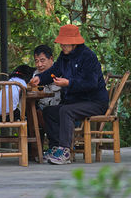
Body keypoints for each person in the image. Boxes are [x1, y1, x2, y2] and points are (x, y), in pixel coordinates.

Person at [30, 24, 108, 165]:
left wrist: (69, 83)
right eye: (61, 44)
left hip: (94, 102)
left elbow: (91, 83)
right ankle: (55, 148)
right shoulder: (64, 56)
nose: (62, 47)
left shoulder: (88, 56)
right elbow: (54, 71)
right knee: (49, 112)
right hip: (75, 102)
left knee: (66, 110)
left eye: (65, 44)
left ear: (74, 42)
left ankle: (65, 151)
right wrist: (40, 79)